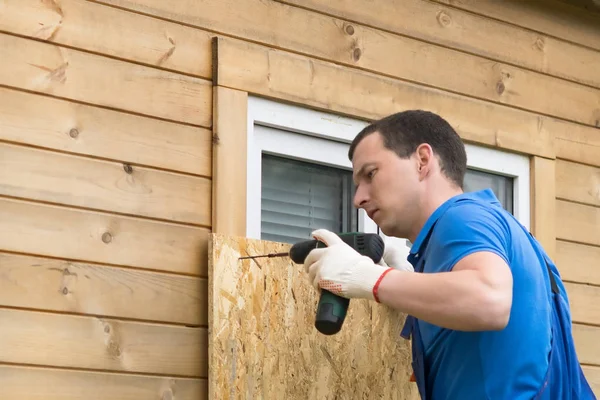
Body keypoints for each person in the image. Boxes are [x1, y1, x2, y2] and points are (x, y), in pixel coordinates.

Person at [303, 110, 596, 399]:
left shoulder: (462, 216)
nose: (358, 198)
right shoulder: (491, 228)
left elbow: (489, 299)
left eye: (371, 173)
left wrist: (371, 278)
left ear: (422, 160)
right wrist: (409, 280)